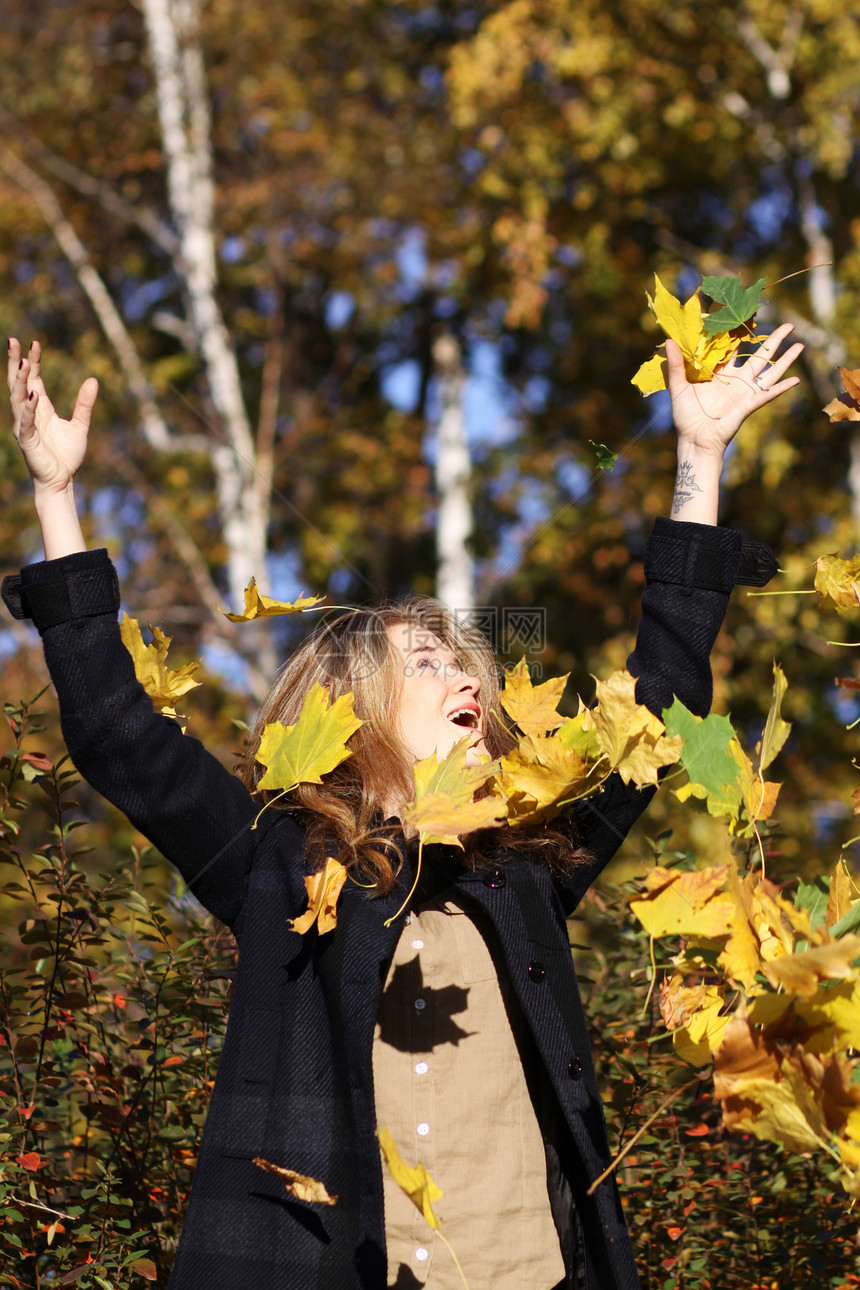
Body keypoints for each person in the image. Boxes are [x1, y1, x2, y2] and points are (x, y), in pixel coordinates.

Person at [3, 327, 802, 1290]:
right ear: (351, 711)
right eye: (424, 661)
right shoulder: (277, 860)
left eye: (464, 659)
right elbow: (115, 730)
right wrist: (56, 495)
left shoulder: (530, 856)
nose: (463, 674)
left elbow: (665, 691)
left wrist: (700, 458)